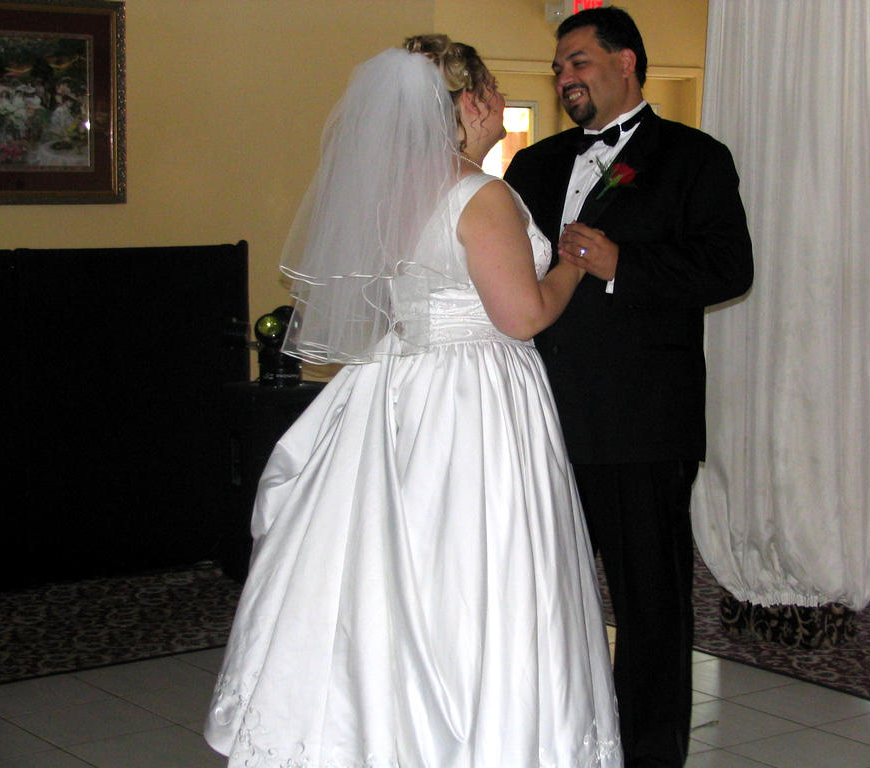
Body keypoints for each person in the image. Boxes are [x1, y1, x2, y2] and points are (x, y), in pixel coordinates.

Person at [204, 35, 622, 767]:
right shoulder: (480, 195)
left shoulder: (388, 191)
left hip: (400, 383)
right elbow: (522, 316)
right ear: (469, 101)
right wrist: (571, 267)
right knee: (479, 566)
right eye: (491, 88)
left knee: (398, 568)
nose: (501, 101)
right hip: (477, 398)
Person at [504, 8, 753, 767]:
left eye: (578, 62)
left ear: (626, 63)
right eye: (559, 68)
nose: (565, 78)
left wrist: (625, 267)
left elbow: (730, 268)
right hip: (537, 414)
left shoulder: (694, 158)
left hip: (641, 421)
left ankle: (649, 755)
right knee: (541, 595)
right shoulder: (532, 166)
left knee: (650, 604)